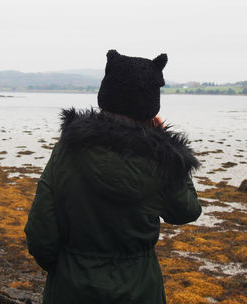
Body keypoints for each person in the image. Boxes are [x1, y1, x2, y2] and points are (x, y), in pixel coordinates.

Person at [24, 50, 202, 304]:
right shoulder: (159, 161)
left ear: (105, 99)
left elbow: (41, 232)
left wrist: (65, 268)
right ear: (151, 111)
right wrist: (172, 154)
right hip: (141, 290)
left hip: (71, 287)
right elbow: (187, 211)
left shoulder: (68, 148)